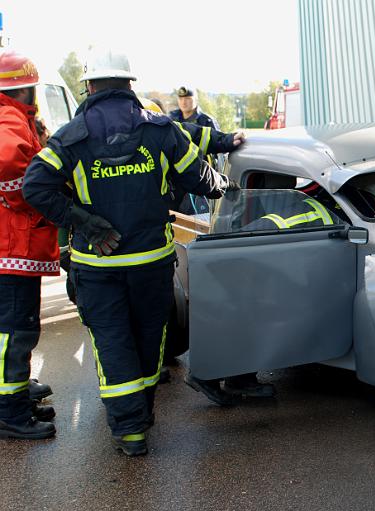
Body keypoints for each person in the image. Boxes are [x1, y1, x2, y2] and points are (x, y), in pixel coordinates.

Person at [23, 49, 231, 456]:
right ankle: (143, 415)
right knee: (149, 338)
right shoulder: (161, 129)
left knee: (112, 341)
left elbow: (35, 187)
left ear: (90, 86)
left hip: (97, 267)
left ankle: (130, 430)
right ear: (129, 84)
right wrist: (224, 183)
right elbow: (198, 176)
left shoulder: (70, 136)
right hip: (151, 264)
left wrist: (82, 222)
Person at [0, 50, 58, 440]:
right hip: (13, 248)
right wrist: (33, 194)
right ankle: (9, 411)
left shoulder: (14, 119)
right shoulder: (8, 121)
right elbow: (10, 166)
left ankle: (16, 392)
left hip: (14, 246)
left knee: (14, 329)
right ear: (25, 89)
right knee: (15, 331)